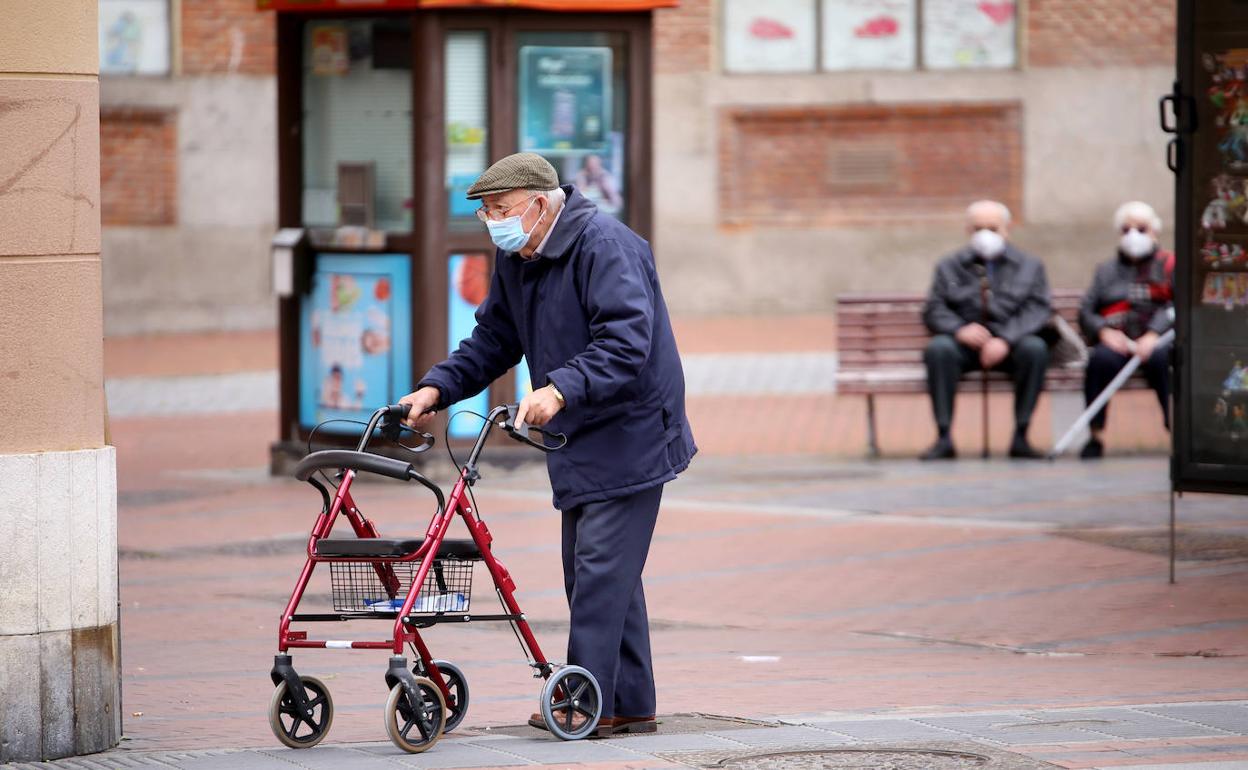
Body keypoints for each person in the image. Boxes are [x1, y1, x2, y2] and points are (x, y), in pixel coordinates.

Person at [399, 152, 696, 736]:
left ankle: (581, 706)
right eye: (486, 213)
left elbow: (627, 343)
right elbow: (494, 339)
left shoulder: (606, 246)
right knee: (607, 574)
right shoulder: (522, 254)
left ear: (539, 203)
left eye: (500, 210)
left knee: (596, 570)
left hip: (631, 429)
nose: (493, 223)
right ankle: (627, 702)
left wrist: (560, 388)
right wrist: (436, 389)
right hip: (581, 432)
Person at [920, 200, 1052, 460]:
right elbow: (934, 308)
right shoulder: (949, 265)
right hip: (965, 344)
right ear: (968, 230)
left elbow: (1038, 309)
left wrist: (1006, 338)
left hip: (1011, 344)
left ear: (1006, 229)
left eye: (992, 228)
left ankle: (1021, 435)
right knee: (939, 350)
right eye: (979, 228)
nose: (985, 235)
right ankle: (944, 436)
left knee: (1035, 350)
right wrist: (959, 329)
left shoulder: (1029, 265)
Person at [1077, 201, 1174, 459]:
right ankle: (1095, 435)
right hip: (1117, 341)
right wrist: (1103, 333)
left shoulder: (1169, 266)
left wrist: (1154, 334)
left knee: (1164, 360)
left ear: (1154, 231)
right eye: (1126, 229)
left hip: (1157, 342)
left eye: (1141, 229)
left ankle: (1176, 431)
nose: (1133, 235)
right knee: (1100, 360)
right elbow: (1087, 310)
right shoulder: (1106, 270)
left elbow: (1177, 305)